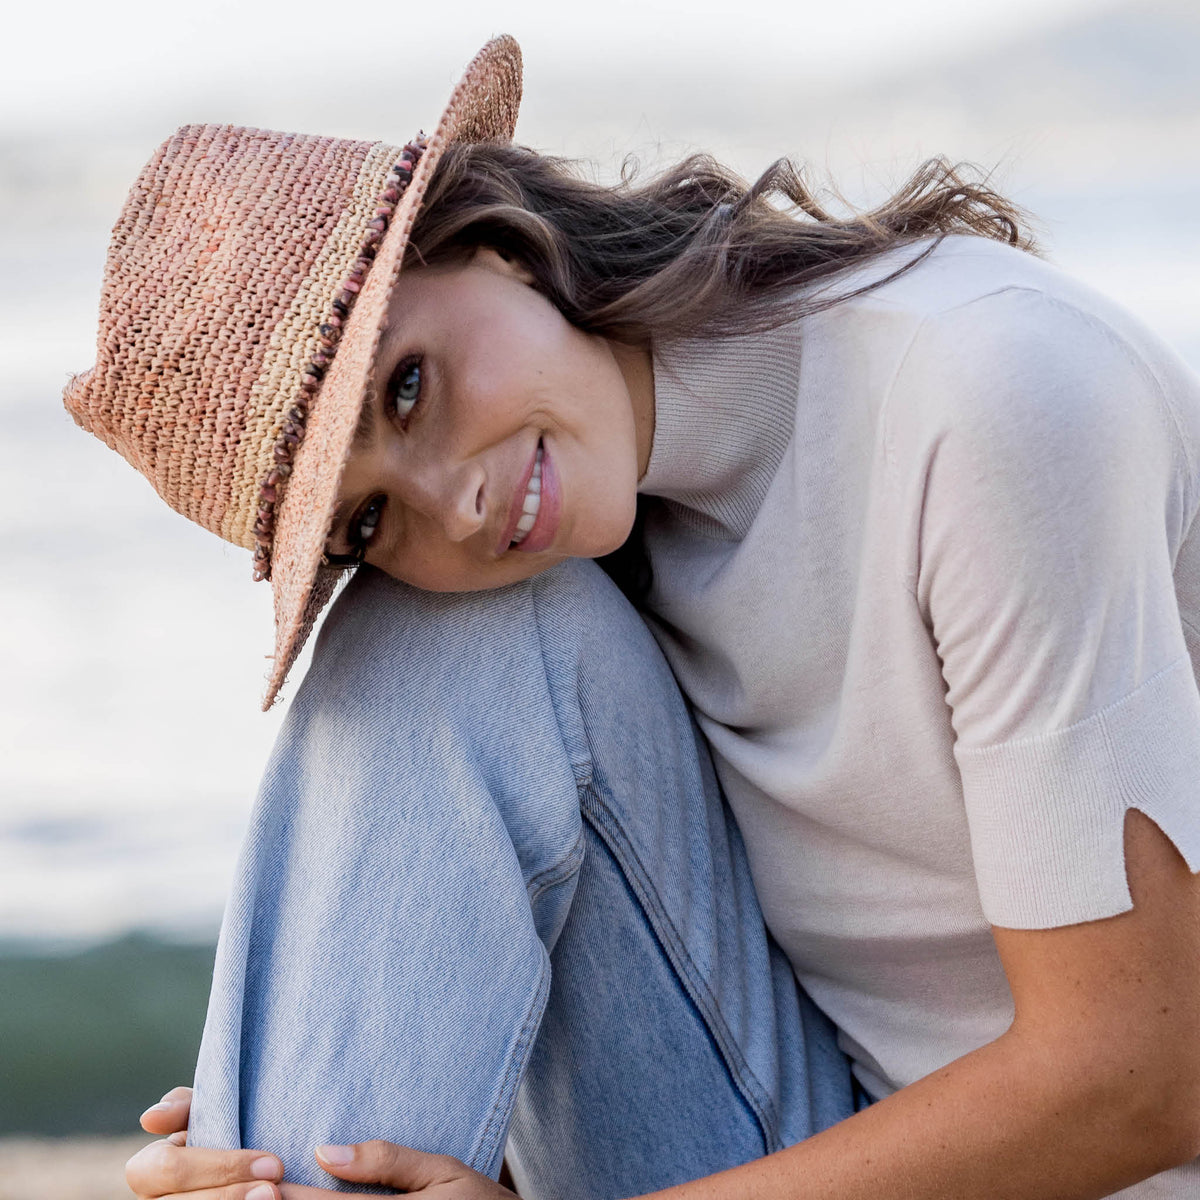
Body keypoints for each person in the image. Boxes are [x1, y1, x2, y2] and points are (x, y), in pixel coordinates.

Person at [66, 34, 1200, 1200]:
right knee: (413, 626)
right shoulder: (588, 545)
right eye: (365, 519)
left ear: (497, 243)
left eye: (407, 388)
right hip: (809, 1132)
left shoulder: (994, 400)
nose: (451, 506)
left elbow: (1145, 1079)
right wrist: (326, 1063)